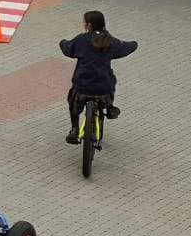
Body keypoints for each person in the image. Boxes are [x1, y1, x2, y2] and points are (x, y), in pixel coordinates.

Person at [59, 11, 137, 142]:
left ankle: (74, 129)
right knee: (111, 80)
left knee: (73, 100)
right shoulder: (110, 41)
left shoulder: (81, 40)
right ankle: (110, 107)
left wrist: (62, 42)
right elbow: (126, 47)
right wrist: (134, 44)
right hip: (103, 90)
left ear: (89, 25)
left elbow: (68, 49)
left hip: (82, 87)